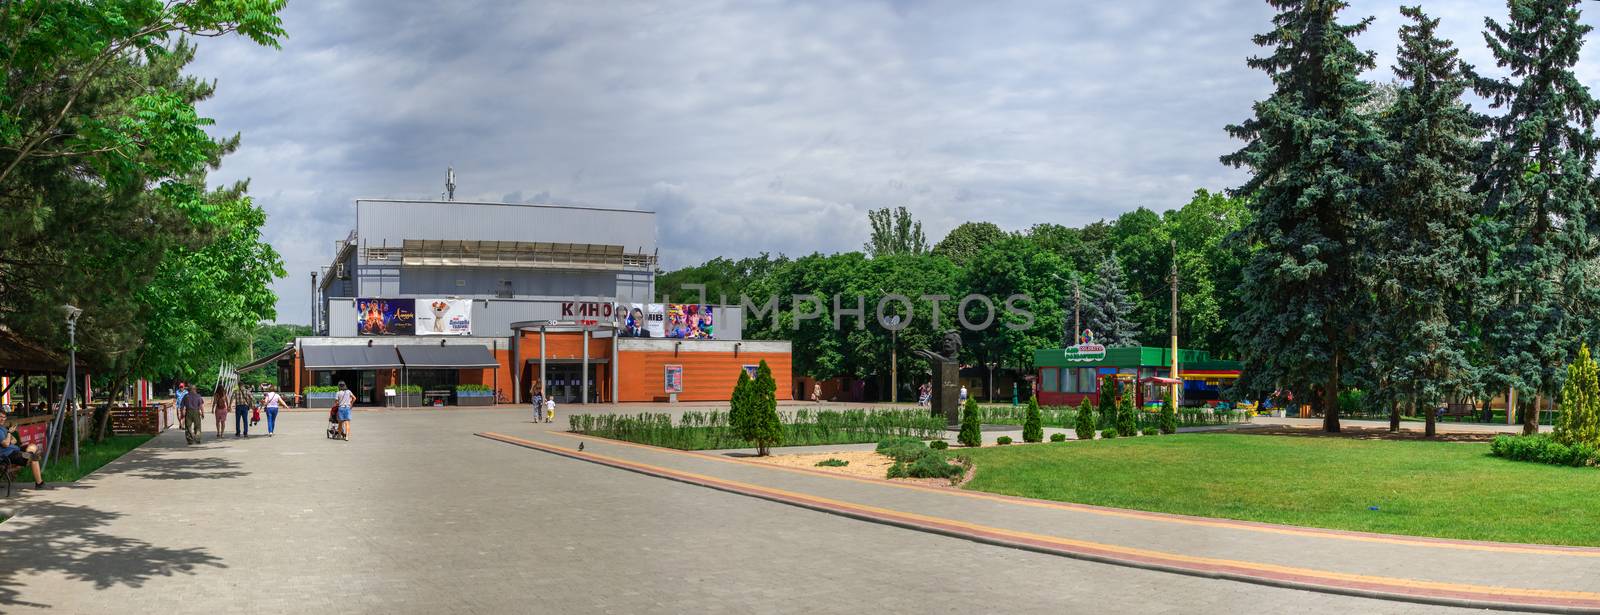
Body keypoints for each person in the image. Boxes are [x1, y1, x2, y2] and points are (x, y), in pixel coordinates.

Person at [1, 409, 45, 490]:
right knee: (34, 459)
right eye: (0, 417)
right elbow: (6, 444)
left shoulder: (3, 428)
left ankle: (29, 455)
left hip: (15, 450)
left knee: (32, 446)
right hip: (9, 454)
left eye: (4, 417)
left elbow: (14, 441)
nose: (2, 419)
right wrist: (9, 433)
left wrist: (9, 435)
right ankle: (39, 483)